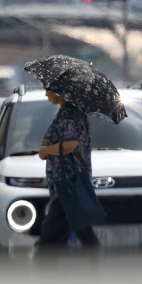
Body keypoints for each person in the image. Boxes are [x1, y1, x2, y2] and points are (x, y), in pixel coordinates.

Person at [37, 90, 98, 248]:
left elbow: (71, 144)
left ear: (59, 91)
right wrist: (47, 145)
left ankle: (41, 270)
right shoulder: (69, 113)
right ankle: (98, 269)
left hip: (69, 183)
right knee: (82, 233)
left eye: (48, 90)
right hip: (69, 183)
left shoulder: (69, 113)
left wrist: (47, 150)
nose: (46, 94)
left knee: (50, 235)